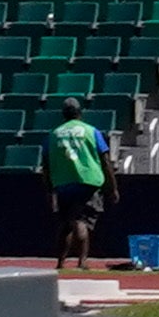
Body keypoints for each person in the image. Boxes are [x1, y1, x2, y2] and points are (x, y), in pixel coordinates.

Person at [46, 95, 113, 273]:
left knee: (66, 224)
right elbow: (105, 160)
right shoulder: (91, 131)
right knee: (81, 221)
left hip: (63, 183)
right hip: (87, 181)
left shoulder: (53, 134)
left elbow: (45, 165)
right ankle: (82, 262)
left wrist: (50, 189)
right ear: (80, 113)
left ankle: (60, 262)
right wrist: (112, 187)